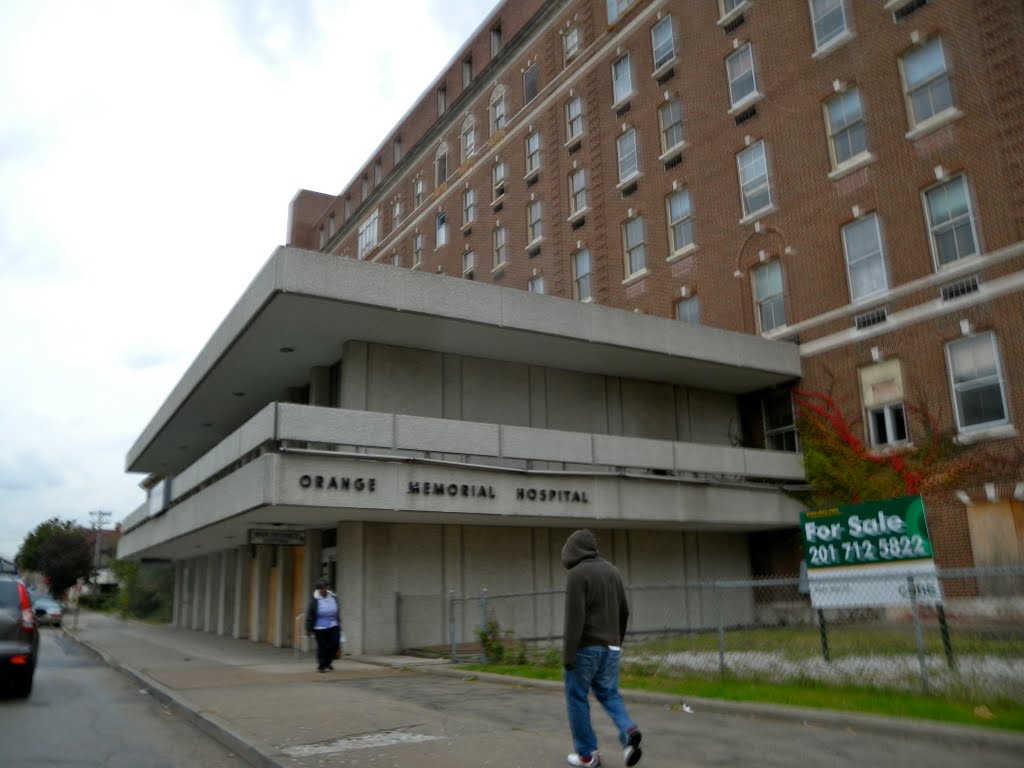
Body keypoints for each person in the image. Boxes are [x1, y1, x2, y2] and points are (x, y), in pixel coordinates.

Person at [561, 529, 642, 767]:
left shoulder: (577, 574)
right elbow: (624, 612)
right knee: (609, 694)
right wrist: (617, 642)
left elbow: (575, 618)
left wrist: (568, 655)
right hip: (611, 647)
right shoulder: (613, 571)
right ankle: (629, 732)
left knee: (577, 697)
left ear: (572, 550)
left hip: (586, 648)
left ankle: (588, 755)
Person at [305, 577, 341, 672]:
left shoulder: (333, 597)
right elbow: (310, 614)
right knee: (323, 646)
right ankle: (321, 665)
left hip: (333, 624)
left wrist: (339, 622)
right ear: (318, 589)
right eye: (322, 588)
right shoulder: (315, 600)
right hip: (320, 626)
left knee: (335, 643)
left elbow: (337, 610)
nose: (324, 590)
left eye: (326, 587)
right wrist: (308, 628)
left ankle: (328, 662)